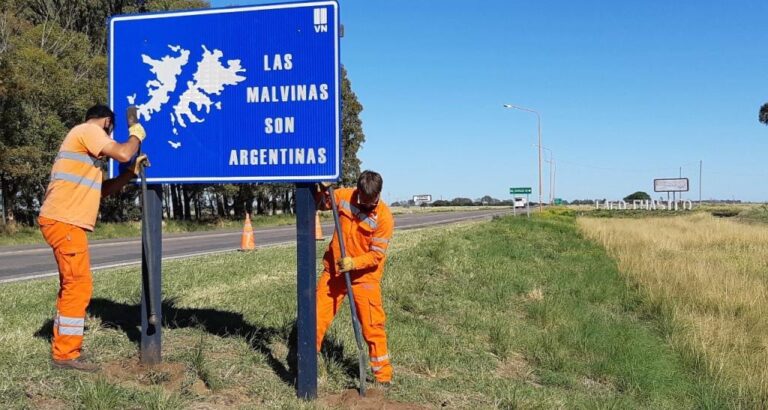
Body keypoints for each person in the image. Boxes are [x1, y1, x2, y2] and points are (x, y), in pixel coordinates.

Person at [38, 104, 148, 372]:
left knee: (72, 284)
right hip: (65, 221)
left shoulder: (84, 149)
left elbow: (100, 191)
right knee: (79, 284)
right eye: (112, 129)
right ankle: (65, 354)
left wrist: (127, 176)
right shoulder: (88, 130)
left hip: (63, 220)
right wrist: (136, 134)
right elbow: (123, 152)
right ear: (108, 122)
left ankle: (64, 345)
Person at [315, 170, 395, 384]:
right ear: (358, 191)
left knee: (372, 326)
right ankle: (308, 363)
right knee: (316, 316)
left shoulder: (384, 218)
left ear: (379, 194)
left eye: (372, 201)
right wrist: (321, 188)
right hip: (335, 272)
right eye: (364, 200)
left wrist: (354, 262)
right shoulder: (343, 196)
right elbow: (321, 203)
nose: (368, 205)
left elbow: (376, 255)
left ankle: (383, 376)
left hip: (364, 278)